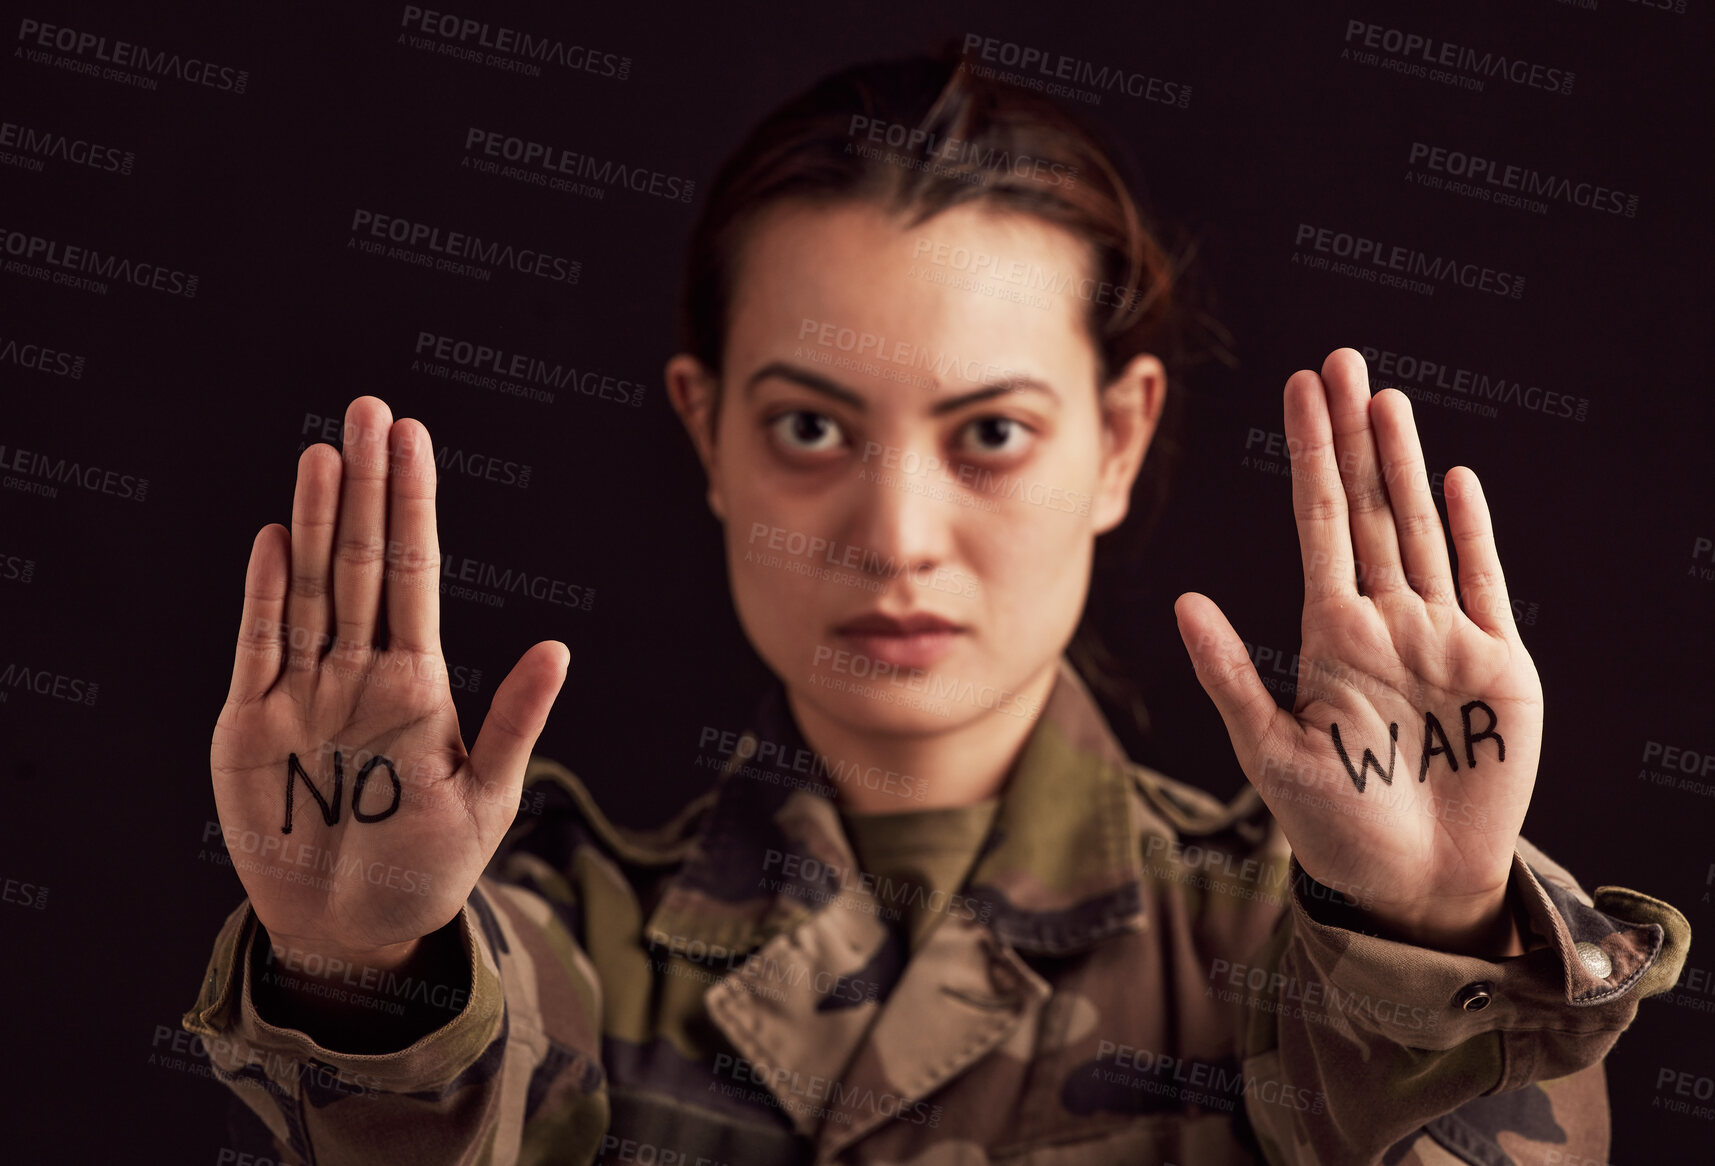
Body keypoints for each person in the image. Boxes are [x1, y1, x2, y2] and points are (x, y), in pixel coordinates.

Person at [184, 51, 1689, 1165]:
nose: (896, 539)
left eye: (989, 434)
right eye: (814, 429)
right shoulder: (553, 942)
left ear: (1119, 435)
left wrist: (1430, 931)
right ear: (706, 431)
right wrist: (366, 978)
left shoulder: (1288, 963)